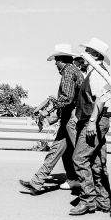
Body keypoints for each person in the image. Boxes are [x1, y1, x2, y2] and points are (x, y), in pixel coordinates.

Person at [19, 44, 84, 193]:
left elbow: (67, 99)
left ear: (62, 60)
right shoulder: (74, 71)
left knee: (80, 154)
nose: (55, 64)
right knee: (57, 151)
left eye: (56, 60)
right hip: (70, 117)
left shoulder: (68, 72)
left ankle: (91, 188)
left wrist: (49, 107)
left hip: (73, 118)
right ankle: (38, 182)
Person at [69, 38, 111, 215]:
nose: (84, 54)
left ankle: (88, 200)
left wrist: (93, 121)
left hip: (93, 120)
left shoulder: (97, 72)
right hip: (95, 120)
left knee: (79, 158)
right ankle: (103, 200)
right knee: (96, 162)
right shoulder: (96, 71)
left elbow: (100, 97)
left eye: (87, 51)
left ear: (94, 54)